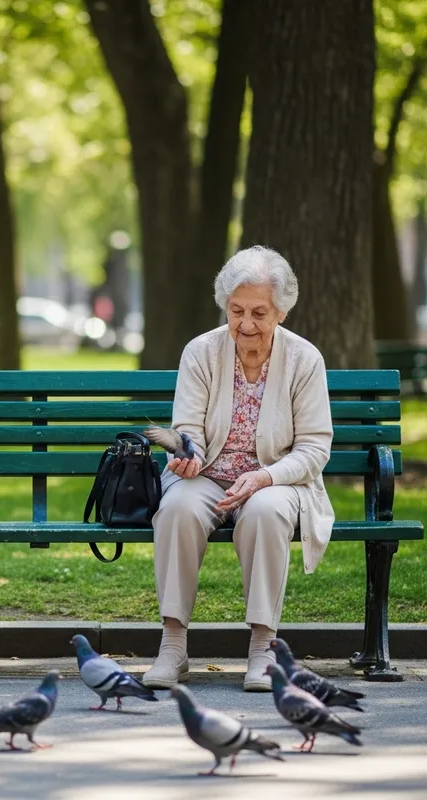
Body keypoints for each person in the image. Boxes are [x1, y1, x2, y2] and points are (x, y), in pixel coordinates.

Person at [142, 245, 334, 692]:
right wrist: (187, 455)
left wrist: (265, 476)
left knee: (265, 512)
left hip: (276, 479)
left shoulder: (304, 359)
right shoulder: (201, 352)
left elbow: (313, 447)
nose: (246, 324)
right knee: (177, 510)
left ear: (281, 312)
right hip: (208, 474)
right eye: (236, 311)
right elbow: (187, 428)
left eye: (259, 313)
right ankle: (173, 646)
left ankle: (264, 648)